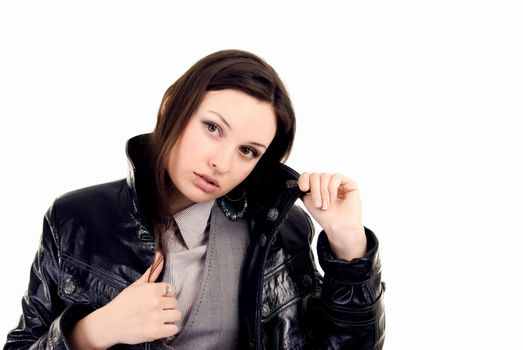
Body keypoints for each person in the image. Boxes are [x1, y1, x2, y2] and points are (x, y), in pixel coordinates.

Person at [3, 49, 385, 349]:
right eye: (213, 127)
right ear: (172, 106)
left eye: (248, 151)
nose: (221, 162)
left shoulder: (281, 232)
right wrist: (95, 331)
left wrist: (347, 242)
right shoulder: (77, 220)